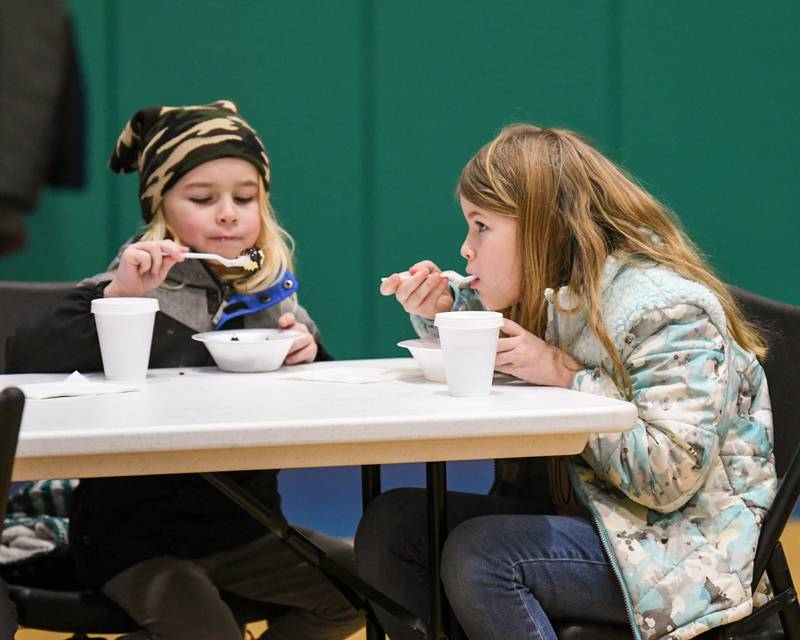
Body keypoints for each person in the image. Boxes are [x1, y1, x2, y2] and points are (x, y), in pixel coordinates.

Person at [355, 123, 776, 640]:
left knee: (482, 557)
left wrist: (563, 374)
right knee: (391, 526)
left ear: (543, 228)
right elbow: (530, 335)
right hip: (600, 522)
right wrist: (447, 309)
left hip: (683, 550)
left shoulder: (666, 310)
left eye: (481, 226)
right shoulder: (562, 294)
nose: (465, 248)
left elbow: (669, 476)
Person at [5, 100, 363, 640]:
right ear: (161, 209)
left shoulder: (271, 295)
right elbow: (26, 360)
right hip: (133, 541)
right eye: (202, 198)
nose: (228, 213)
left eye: (245, 198)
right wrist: (120, 295)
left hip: (249, 529)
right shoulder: (132, 285)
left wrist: (309, 355)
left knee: (369, 585)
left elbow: (327, 398)